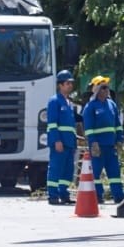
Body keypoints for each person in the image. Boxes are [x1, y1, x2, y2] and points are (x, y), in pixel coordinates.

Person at [81, 75, 124, 204]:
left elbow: (117, 124)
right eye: (103, 87)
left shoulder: (111, 105)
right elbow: (88, 128)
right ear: (96, 89)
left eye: (107, 87)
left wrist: (120, 139)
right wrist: (93, 143)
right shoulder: (90, 107)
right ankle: (97, 196)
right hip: (98, 146)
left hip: (111, 146)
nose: (107, 90)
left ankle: (119, 196)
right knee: (95, 173)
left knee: (114, 173)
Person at [44, 70, 78, 205]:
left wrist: (73, 142)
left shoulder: (68, 102)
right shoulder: (54, 101)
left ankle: (64, 194)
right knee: (56, 168)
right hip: (59, 142)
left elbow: (71, 126)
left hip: (69, 142)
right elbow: (52, 123)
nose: (70, 85)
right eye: (67, 83)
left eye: (71, 83)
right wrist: (57, 140)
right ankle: (52, 195)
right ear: (60, 85)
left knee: (67, 170)